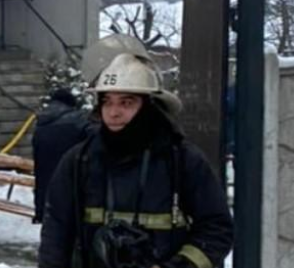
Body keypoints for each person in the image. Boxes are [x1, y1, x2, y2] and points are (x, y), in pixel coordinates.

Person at [39, 54, 233, 268]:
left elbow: (217, 229)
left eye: (126, 102)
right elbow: (56, 233)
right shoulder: (79, 161)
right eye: (107, 102)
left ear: (150, 107)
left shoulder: (183, 160)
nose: (113, 112)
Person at [32, 87, 94, 223]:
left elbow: (38, 167)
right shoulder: (78, 121)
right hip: (73, 194)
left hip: (47, 198)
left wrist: (39, 210)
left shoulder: (41, 123)